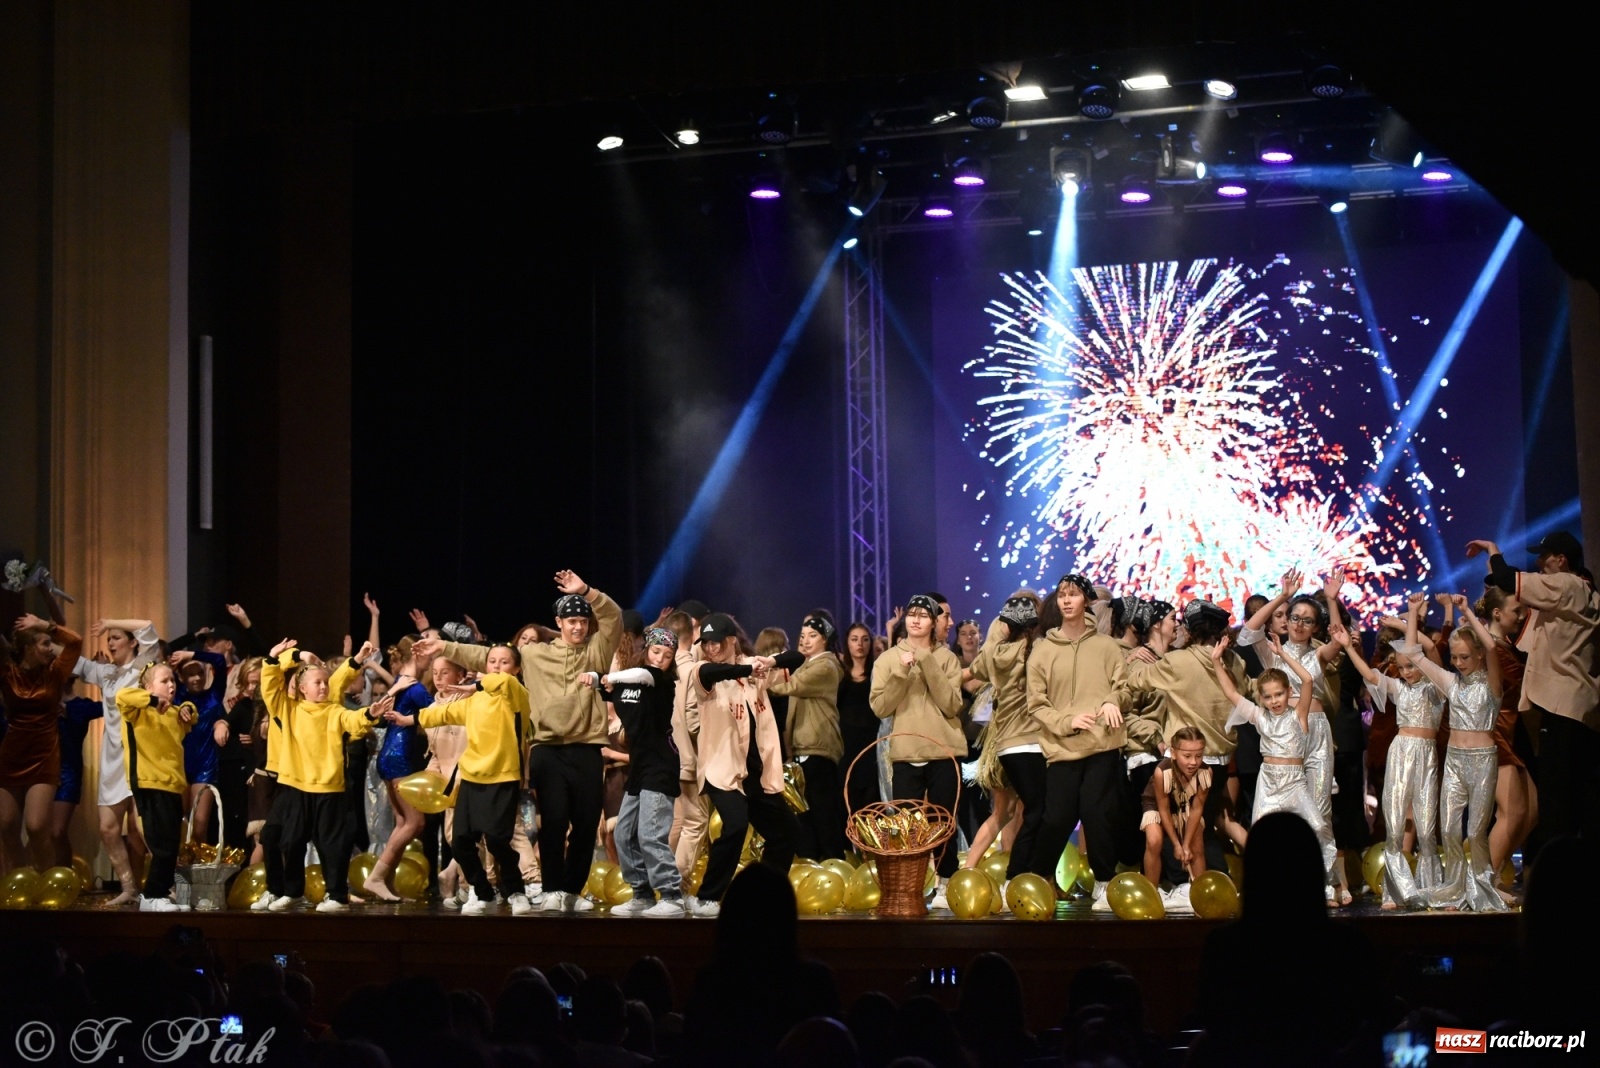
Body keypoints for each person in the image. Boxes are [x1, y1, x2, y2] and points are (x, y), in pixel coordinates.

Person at [417, 569, 622, 913]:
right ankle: (554, 888)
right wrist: (443, 646)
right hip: (547, 750)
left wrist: (586, 590)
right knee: (554, 822)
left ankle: (572, 891)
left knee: (587, 825)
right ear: (558, 622)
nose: (578, 627)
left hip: (587, 748)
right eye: (571, 621)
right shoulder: (536, 654)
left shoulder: (597, 651)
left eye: (583, 621)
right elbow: (489, 657)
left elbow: (612, 616)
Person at [385, 643, 536, 915]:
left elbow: (501, 682)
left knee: (497, 840)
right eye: (492, 661)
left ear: (516, 669)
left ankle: (515, 891)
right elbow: (443, 713)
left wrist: (477, 685)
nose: (497, 667)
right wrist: (409, 720)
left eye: (504, 662)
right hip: (471, 776)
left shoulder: (517, 694)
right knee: (461, 842)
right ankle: (484, 891)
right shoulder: (474, 700)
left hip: (502, 777)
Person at [1475, 532, 1600, 855]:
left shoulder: (1567, 586)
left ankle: (1556, 878)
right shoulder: (1581, 594)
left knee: (1556, 800)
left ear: (1562, 560)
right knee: (1581, 795)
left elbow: (1509, 579)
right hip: (1579, 707)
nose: (1540, 563)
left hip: (1562, 705)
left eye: (1545, 557)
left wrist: (1493, 551)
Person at [1328, 599, 1444, 909]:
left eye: (1411, 666)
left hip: (1426, 755)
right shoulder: (1398, 687)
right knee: (1394, 821)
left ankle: (1428, 887)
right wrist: (1348, 648)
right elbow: (1368, 672)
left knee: (1426, 821)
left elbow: (1431, 650)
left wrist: (1404, 625)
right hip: (1401, 752)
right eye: (1402, 667)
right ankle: (1395, 888)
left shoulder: (1435, 686)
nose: (1406, 672)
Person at [1024, 574, 1128, 900]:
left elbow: (1123, 687)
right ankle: (1040, 878)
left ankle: (1104, 883)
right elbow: (1036, 704)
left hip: (1102, 743)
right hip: (1062, 747)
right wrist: (1068, 721)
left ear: (1086, 600)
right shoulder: (1042, 650)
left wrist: (1113, 700)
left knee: (1098, 814)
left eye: (1074, 595)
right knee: (1057, 817)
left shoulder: (1107, 646)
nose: (1067, 601)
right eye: (1062, 595)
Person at [689, 612, 798, 917]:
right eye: (706, 643)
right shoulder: (703, 671)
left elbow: (797, 658)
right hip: (721, 770)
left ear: (732, 641)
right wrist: (747, 666)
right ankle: (707, 898)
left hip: (756, 773)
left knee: (787, 830)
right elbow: (712, 672)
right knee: (735, 825)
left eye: (717, 643)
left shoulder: (755, 669)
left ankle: (762, 897)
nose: (711, 648)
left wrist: (769, 663)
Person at [259, 639, 379, 912]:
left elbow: (353, 720)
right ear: (302, 689)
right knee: (290, 841)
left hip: (328, 787)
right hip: (296, 786)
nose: (324, 686)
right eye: (317, 684)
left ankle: (336, 895)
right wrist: (277, 657)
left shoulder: (334, 710)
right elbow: (270, 683)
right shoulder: (288, 709)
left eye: (325, 683)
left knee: (331, 845)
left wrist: (370, 714)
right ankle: (292, 892)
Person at [1407, 595, 1509, 912]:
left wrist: (1465, 611)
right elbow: (1412, 654)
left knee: (1476, 831)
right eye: (1455, 658)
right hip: (1453, 762)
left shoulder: (1491, 684)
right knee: (1450, 830)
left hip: (1482, 762)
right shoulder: (1452, 683)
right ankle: (1454, 889)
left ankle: (1481, 888)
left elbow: (1492, 648)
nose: (1459, 663)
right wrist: (1412, 615)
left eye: (1465, 656)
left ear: (1477, 655)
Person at [870, 594, 965, 906]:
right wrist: (901, 671)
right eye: (911, 614)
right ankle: (909, 886)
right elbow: (880, 706)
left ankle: (946, 880)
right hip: (907, 751)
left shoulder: (948, 659)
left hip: (943, 749)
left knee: (943, 821)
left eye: (924, 615)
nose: (915, 619)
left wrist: (925, 660)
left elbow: (951, 704)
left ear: (935, 622)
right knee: (907, 825)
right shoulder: (887, 660)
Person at [587, 626, 688, 917]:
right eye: (656, 652)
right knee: (623, 834)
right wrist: (592, 678)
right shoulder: (628, 682)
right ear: (647, 651)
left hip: (661, 765)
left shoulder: (661, 680)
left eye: (667, 655)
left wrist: (611, 677)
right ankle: (642, 894)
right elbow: (602, 686)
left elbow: (643, 675)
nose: (660, 659)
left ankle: (671, 895)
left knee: (650, 835)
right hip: (640, 766)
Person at [1212, 635, 1332, 879]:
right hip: (1268, 782)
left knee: (1317, 826)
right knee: (1262, 836)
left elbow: (1307, 679)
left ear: (1288, 692)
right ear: (1261, 698)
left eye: (1279, 694)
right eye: (1268, 697)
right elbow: (1231, 693)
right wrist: (1216, 661)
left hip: (1294, 782)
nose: (1274, 701)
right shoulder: (1260, 717)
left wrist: (1282, 655)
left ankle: (1319, 880)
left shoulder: (1299, 714)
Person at [75, 616, 160, 905]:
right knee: (108, 827)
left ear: (132, 642)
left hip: (140, 756)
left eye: (116, 638)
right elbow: (71, 659)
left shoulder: (141, 668)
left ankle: (166, 882)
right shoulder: (106, 673)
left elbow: (148, 628)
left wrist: (110, 618)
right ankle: (128, 888)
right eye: (108, 638)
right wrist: (44, 624)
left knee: (143, 828)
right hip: (113, 758)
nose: (110, 643)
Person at [964, 593, 1042, 880]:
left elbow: (977, 671)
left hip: (1005, 739)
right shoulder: (1034, 648)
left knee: (1009, 812)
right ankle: (1018, 875)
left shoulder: (997, 649)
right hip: (1025, 736)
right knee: (1020, 811)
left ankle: (972, 870)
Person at [0, 612, 82, 872]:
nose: (51, 649)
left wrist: (44, 625)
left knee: (36, 827)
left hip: (44, 754)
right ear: (27, 648)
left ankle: (46, 882)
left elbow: (75, 642)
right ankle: (19, 887)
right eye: (45, 644)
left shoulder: (55, 673)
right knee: (6, 826)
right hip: (11, 754)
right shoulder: (8, 672)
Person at [113, 663, 196, 911]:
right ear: (148, 687)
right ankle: (152, 896)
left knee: (171, 842)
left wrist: (188, 709)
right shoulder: (137, 710)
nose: (171, 685)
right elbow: (122, 695)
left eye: (173, 680)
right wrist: (150, 700)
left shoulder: (175, 712)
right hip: (149, 783)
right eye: (164, 681)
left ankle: (160, 893)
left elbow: (193, 713)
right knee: (160, 842)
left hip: (172, 785)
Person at [768, 613, 846, 861]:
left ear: (825, 639)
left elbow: (789, 686)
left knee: (824, 816)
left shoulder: (825, 666)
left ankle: (834, 870)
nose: (805, 641)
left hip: (819, 749)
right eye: (802, 636)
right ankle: (814, 869)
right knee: (806, 817)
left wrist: (758, 674)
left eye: (813, 636)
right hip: (803, 750)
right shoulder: (807, 665)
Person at [1476, 586, 1537, 891]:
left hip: (1512, 734)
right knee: (1511, 813)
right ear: (1497, 614)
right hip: (1495, 733)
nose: (1521, 615)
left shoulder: (1505, 645)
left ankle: (1492, 876)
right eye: (1516, 611)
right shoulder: (1491, 649)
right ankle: (1486, 886)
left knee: (1531, 812)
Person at [363, 636, 431, 901]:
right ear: (418, 654)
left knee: (403, 822)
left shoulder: (401, 683)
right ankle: (377, 877)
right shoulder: (413, 687)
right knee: (415, 822)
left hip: (390, 755)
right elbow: (436, 716)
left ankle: (385, 883)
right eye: (430, 654)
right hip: (400, 756)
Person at [1140, 726, 1211, 887]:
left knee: (1196, 841)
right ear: (1173, 753)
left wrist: (1186, 845)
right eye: (1187, 756)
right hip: (1157, 806)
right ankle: (1152, 892)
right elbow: (1163, 809)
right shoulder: (1162, 772)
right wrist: (1177, 845)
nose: (1193, 762)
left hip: (1186, 806)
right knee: (1154, 840)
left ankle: (1199, 896)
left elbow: (1197, 809)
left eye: (1198, 756)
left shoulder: (1205, 773)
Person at [837, 623, 880, 814]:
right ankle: (848, 843)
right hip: (845, 742)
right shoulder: (839, 674)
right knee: (847, 797)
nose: (859, 644)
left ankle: (868, 843)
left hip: (872, 741)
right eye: (854, 639)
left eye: (865, 639)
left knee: (871, 798)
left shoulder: (877, 672)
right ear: (847, 643)